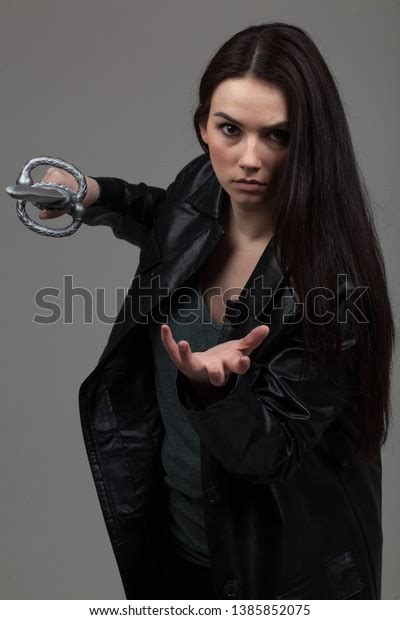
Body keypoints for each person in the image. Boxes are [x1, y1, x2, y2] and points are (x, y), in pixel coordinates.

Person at [39, 22, 395, 600]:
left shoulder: (334, 286)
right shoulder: (204, 185)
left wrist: (214, 392)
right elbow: (167, 216)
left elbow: (270, 449)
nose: (248, 159)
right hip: (176, 547)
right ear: (203, 126)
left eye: (277, 136)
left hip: (280, 575)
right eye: (230, 129)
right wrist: (89, 193)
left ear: (309, 141)